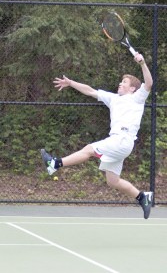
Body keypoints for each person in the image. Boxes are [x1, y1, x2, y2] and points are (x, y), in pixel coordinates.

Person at [41, 53, 153, 219]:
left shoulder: (137, 98)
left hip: (122, 140)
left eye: (124, 83)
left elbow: (149, 83)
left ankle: (55, 163)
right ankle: (142, 197)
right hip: (119, 142)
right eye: (121, 81)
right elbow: (90, 91)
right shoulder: (114, 99)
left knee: (89, 149)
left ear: (132, 89)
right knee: (113, 181)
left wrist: (142, 63)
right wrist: (71, 83)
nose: (120, 84)